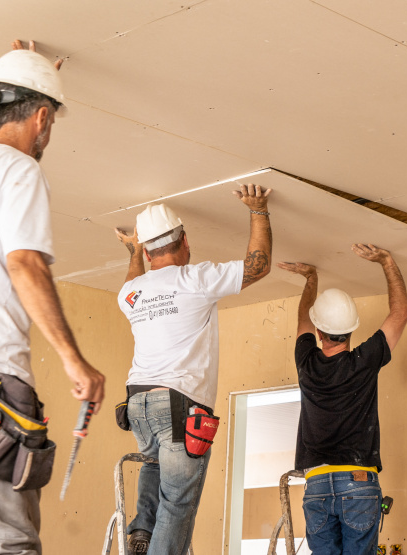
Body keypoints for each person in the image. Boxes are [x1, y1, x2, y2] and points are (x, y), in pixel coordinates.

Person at [0, 40, 106, 554]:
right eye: (49, 122)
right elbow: (25, 264)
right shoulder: (19, 171)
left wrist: (33, 72)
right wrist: (75, 362)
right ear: (40, 118)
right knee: (8, 539)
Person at [114, 183, 272, 553]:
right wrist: (258, 210)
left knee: (154, 466)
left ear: (149, 251)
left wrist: (134, 251)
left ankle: (142, 533)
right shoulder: (195, 279)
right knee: (178, 503)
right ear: (185, 240)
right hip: (177, 404)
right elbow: (257, 267)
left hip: (137, 402)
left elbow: (133, 283)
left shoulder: (131, 294)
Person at [277, 244, 407, 555]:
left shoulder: (306, 363)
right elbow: (401, 311)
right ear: (352, 331)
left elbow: (302, 322)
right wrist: (387, 261)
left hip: (318, 485)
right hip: (359, 482)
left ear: (320, 333)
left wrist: (310, 279)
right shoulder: (364, 360)